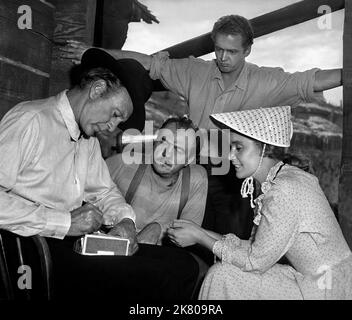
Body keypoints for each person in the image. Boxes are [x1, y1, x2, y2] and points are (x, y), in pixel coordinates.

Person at [60, 14, 342, 239]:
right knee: (187, 235)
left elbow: (310, 81)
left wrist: (347, 73)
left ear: (247, 50)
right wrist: (94, 52)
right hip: (192, 168)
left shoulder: (264, 80)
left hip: (233, 172)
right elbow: (150, 64)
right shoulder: (197, 71)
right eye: (218, 48)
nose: (223, 57)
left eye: (232, 51)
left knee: (233, 238)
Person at [0, 57, 198, 300]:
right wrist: (64, 222)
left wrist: (125, 220)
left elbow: (104, 192)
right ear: (97, 89)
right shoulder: (30, 120)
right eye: (114, 114)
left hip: (70, 244)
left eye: (119, 121)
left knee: (182, 265)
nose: (113, 126)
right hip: (33, 251)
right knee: (155, 276)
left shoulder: (88, 139)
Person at [166, 105, 352, 300]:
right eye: (230, 148)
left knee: (222, 275)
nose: (230, 156)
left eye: (238, 148)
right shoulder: (278, 180)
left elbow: (255, 260)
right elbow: (256, 246)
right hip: (314, 280)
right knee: (222, 275)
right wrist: (200, 232)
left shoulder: (284, 189)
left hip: (328, 288)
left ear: (265, 147)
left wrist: (200, 237)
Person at [106, 116, 208, 245]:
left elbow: (190, 236)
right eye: (162, 142)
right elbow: (89, 199)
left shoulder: (196, 179)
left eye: (177, 149)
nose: (166, 153)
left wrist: (158, 229)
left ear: (189, 160)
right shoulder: (123, 164)